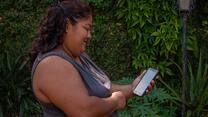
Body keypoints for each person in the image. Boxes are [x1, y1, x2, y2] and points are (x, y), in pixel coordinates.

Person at [27, 0, 155, 117]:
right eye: (86, 28)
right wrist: (115, 102)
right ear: (67, 26)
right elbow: (83, 110)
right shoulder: (51, 65)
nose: (89, 36)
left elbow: (104, 89)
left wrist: (132, 88)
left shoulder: (79, 56)